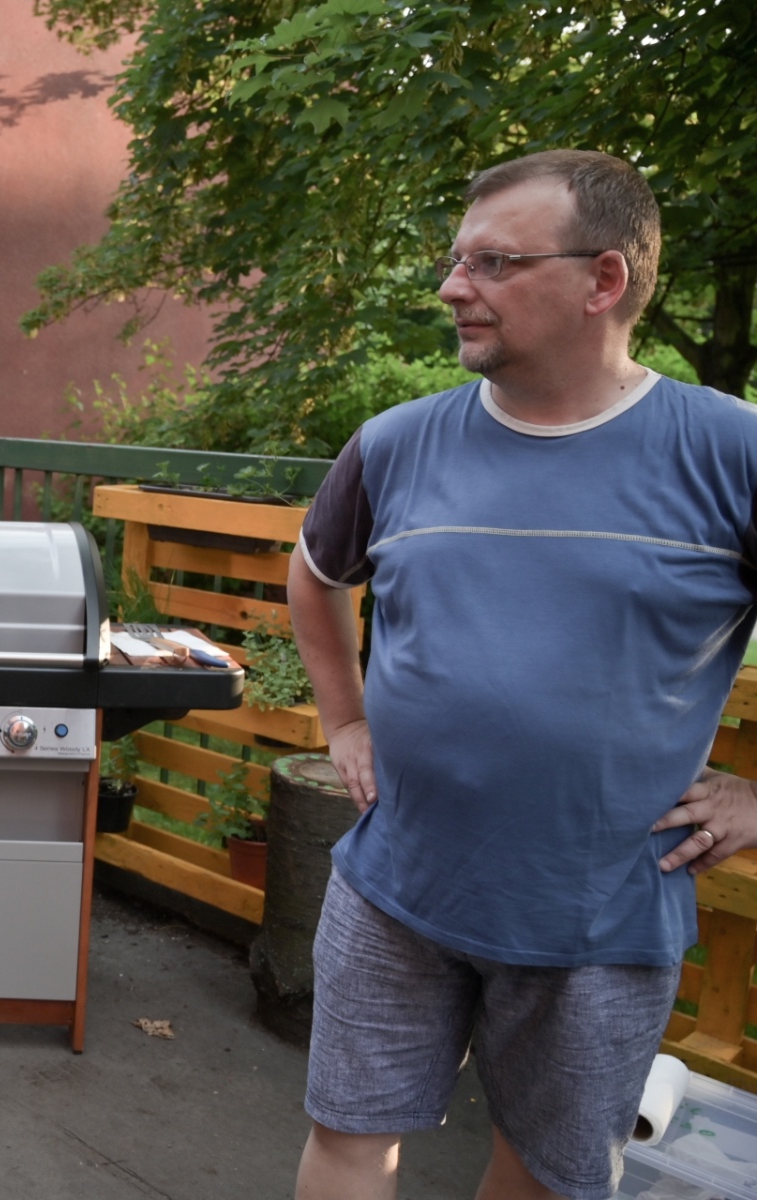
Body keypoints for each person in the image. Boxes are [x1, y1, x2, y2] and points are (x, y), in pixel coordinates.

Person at [287, 148, 757, 1200]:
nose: (453, 287)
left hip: (598, 915)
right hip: (395, 884)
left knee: (542, 1176)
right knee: (348, 1135)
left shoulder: (731, 453)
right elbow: (314, 577)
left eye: (494, 263)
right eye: (458, 259)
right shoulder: (395, 445)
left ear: (604, 280)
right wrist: (345, 723)